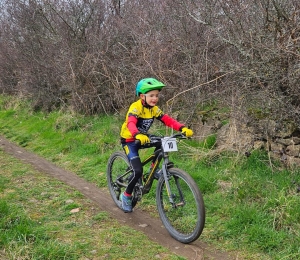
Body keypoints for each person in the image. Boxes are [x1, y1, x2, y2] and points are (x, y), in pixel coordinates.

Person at [120, 78, 193, 213]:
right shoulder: (136, 107)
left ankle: (154, 171)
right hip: (130, 140)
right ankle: (126, 195)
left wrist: (182, 128)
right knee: (137, 171)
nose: (155, 98)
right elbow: (130, 122)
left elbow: (167, 120)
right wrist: (136, 134)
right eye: (151, 95)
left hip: (143, 137)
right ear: (142, 96)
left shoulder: (154, 109)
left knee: (162, 143)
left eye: (157, 95)